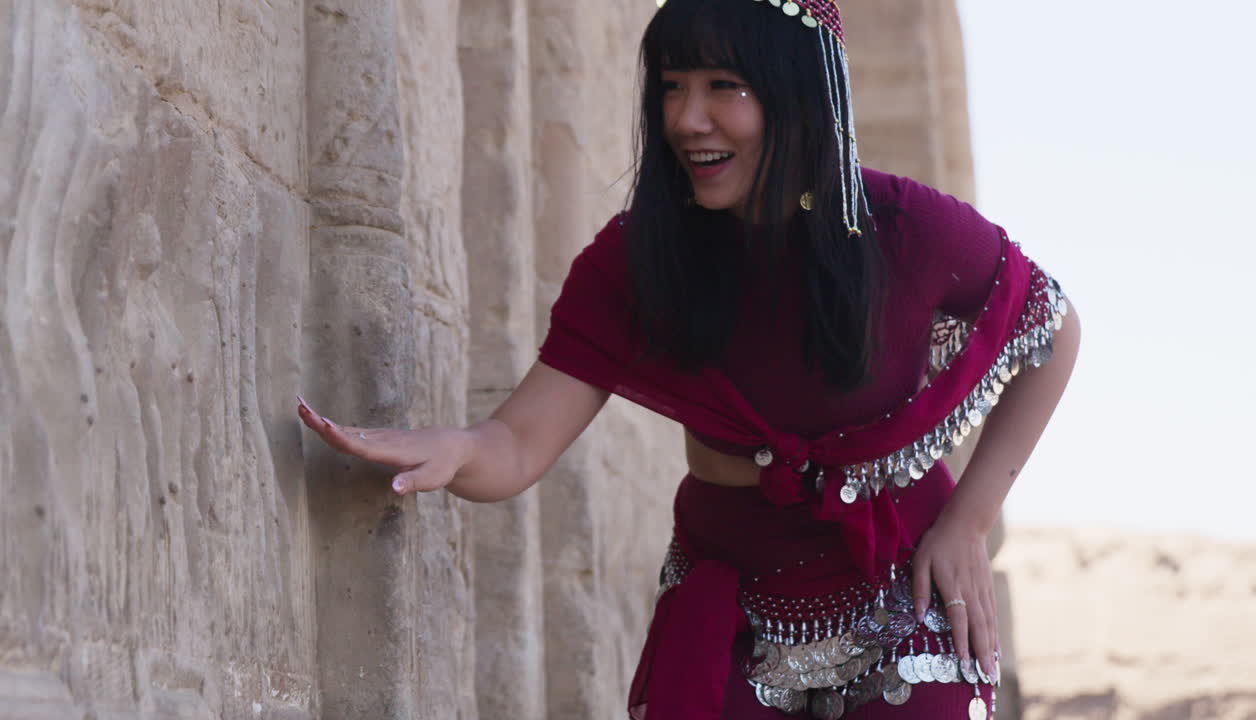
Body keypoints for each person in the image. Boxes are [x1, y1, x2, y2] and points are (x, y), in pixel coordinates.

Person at [297, 0, 1080, 716]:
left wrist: (969, 521)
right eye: (672, 88)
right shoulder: (635, 260)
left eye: (722, 88)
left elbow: (1054, 327)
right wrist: (454, 449)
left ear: (800, 95)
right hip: (735, 607)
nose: (687, 119)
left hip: (904, 592)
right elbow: (516, 445)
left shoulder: (904, 229)